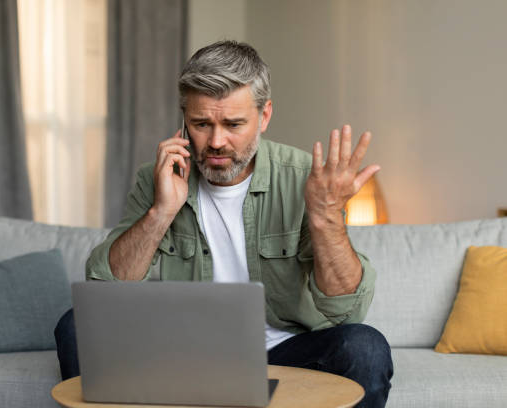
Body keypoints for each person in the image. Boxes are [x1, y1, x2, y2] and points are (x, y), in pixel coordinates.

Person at [55, 40, 393, 407]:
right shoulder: (155, 179)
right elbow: (105, 290)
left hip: (285, 354)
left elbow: (347, 310)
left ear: (264, 116)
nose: (216, 141)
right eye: (201, 124)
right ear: (184, 118)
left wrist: (326, 217)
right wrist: (162, 210)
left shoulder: (303, 178)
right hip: (181, 354)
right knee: (75, 327)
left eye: (233, 124)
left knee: (365, 347)